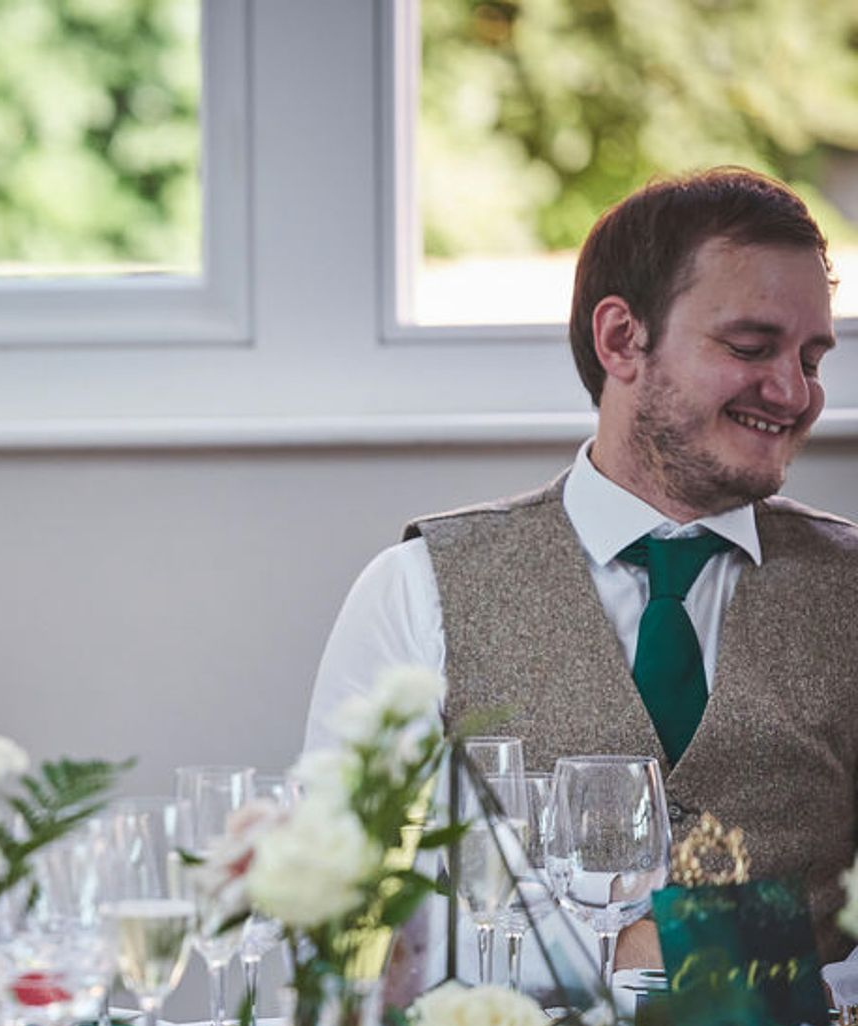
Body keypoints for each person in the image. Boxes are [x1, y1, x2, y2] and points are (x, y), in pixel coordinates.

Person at [305, 167, 856, 964]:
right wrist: (625, 951)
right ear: (621, 340)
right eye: (750, 346)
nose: (794, 391)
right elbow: (340, 911)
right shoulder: (416, 589)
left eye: (812, 358)